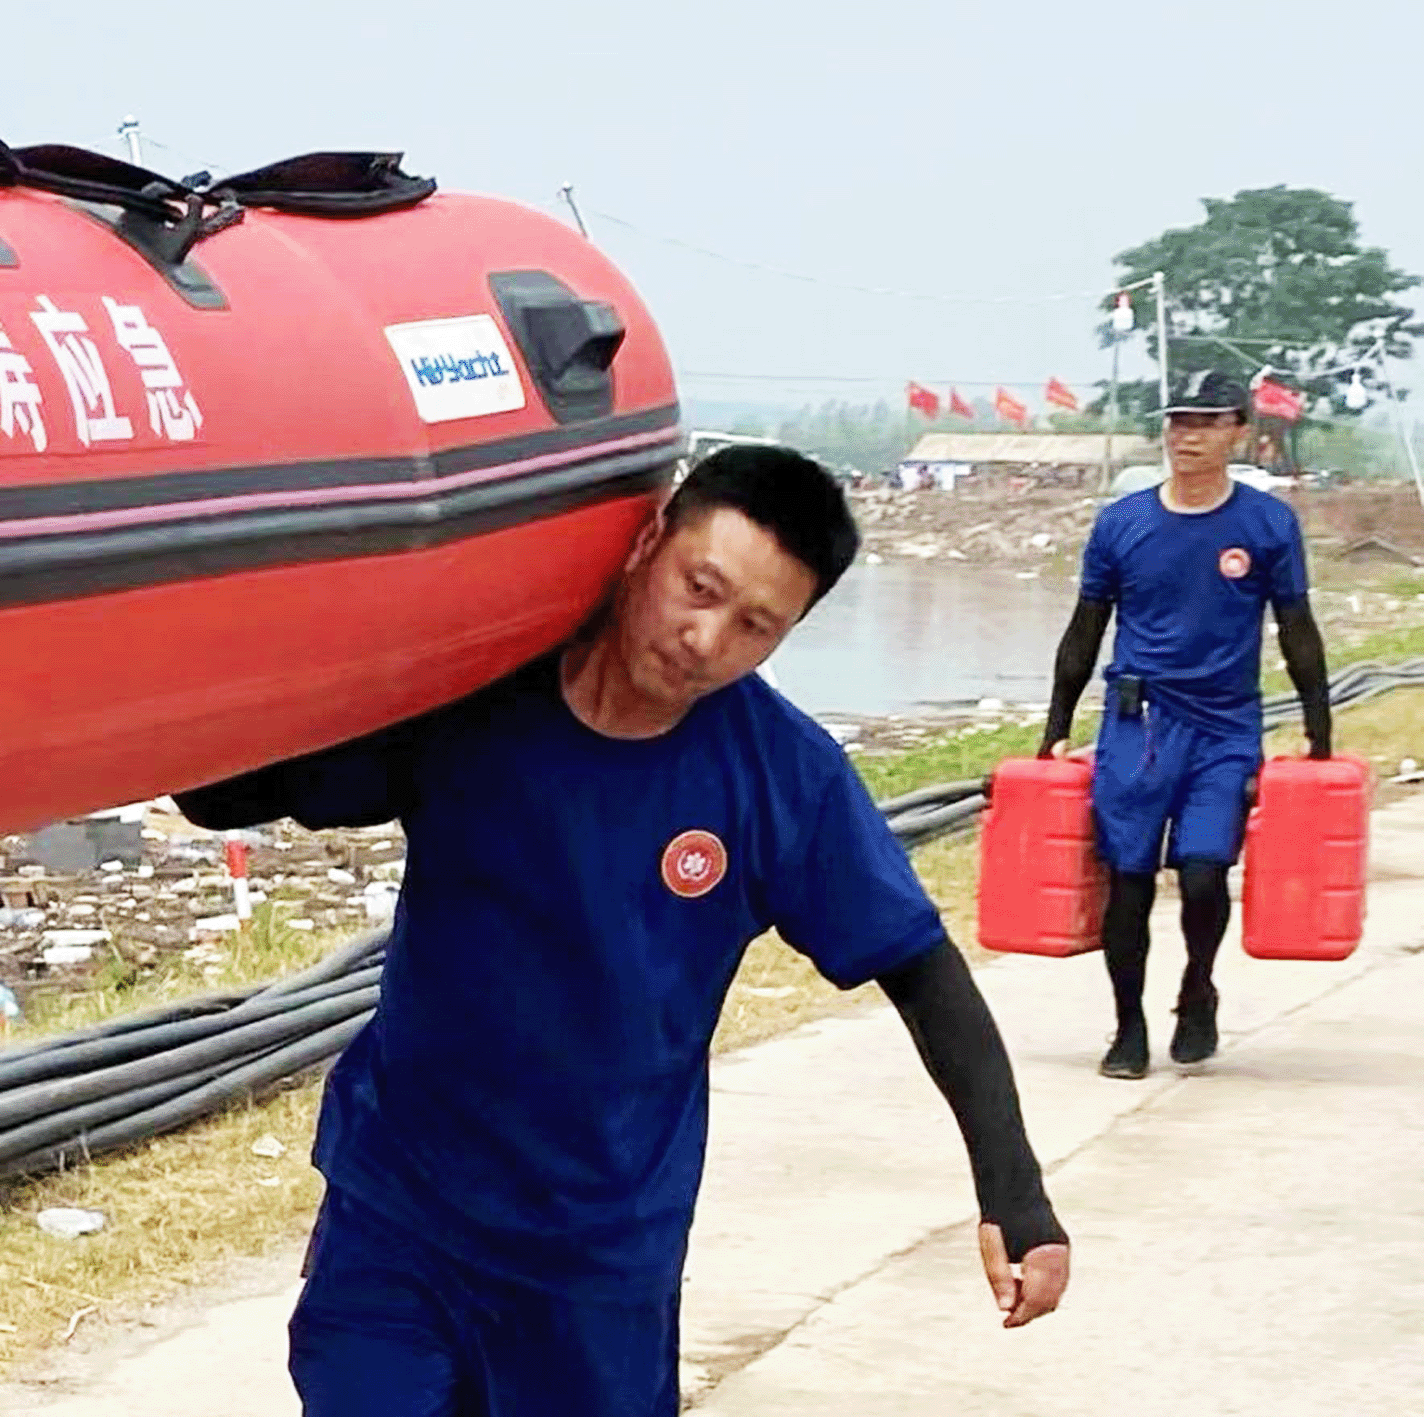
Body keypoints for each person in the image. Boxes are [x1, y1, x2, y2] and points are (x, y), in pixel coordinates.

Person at [178, 445, 1070, 1417]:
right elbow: (237, 789)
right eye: (701, 586)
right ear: (649, 541)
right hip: (399, 1211)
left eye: (753, 625)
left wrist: (1015, 1192)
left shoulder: (781, 780)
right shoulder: (478, 696)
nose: (704, 637)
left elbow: (923, 972)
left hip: (595, 1261)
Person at [1039, 369, 1332, 1080]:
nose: (1187, 436)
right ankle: (1128, 1025)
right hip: (1138, 725)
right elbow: (1085, 630)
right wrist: (1055, 726)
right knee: (1129, 881)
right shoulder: (1123, 523)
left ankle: (1198, 987)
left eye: (1205, 422)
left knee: (1204, 876)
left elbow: (1296, 627)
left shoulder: (1266, 525)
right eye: (1177, 421)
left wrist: (1320, 730)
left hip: (1225, 726)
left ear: (1239, 431)